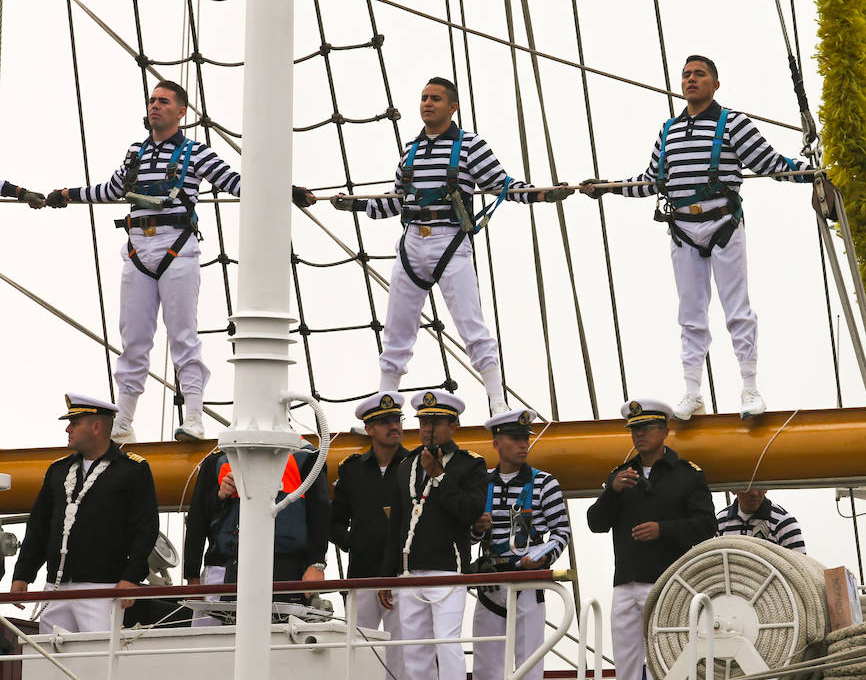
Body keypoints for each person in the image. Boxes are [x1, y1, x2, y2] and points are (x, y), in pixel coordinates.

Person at [41, 80, 314, 443]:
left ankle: (195, 416)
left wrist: (285, 191)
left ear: (181, 111)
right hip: (137, 247)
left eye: (164, 101)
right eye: (152, 101)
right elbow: (111, 190)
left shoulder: (196, 153)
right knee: (134, 338)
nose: (155, 106)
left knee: (183, 335)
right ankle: (123, 420)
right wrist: (67, 194)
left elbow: (236, 183)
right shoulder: (135, 152)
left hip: (177, 246)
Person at [580, 56, 812, 421]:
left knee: (737, 309)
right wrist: (607, 188)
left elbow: (769, 163)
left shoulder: (733, 123)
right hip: (682, 230)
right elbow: (650, 181)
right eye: (686, 75)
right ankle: (692, 392)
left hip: (723, 225)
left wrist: (812, 173)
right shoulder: (669, 130)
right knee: (690, 315)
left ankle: (750, 387)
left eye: (699, 74)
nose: (691, 80)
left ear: (715, 84)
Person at [332, 77, 572, 414]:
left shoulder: (471, 145)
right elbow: (395, 201)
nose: (427, 103)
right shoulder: (410, 150)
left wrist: (543, 194)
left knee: (472, 326)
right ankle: (386, 403)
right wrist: (353, 204)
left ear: (453, 106)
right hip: (412, 242)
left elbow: (503, 185)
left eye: (436, 99)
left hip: (449, 241)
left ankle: (498, 402)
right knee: (396, 330)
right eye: (424, 98)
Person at [587, 399, 715, 680]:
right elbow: (595, 523)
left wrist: (664, 529)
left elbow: (705, 526)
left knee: (663, 667)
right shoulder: (620, 476)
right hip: (624, 583)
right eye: (634, 429)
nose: (638, 434)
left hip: (666, 583)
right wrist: (612, 492)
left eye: (645, 428)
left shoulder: (687, 475)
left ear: (664, 431)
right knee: (626, 666)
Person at [378, 390, 487, 680]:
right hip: (410, 571)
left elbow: (469, 512)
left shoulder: (472, 464)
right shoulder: (406, 465)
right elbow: (396, 523)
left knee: (447, 645)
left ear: (453, 425)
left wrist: (440, 476)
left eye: (437, 421)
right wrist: (387, 574)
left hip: (448, 569)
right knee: (416, 652)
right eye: (425, 421)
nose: (429, 428)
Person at [7, 394, 158, 633]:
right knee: (50, 659)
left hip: (102, 589)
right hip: (55, 588)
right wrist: (23, 575)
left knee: (98, 660)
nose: (68, 429)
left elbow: (146, 528)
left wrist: (131, 577)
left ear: (96, 426)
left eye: (74, 423)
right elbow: (39, 527)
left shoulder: (132, 470)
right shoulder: (58, 470)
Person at [469, 408, 570, 680]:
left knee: (529, 665)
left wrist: (537, 558)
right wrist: (474, 529)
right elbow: (466, 536)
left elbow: (560, 533)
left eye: (525, 438)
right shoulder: (479, 483)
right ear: (497, 443)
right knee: (485, 665)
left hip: (528, 584)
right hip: (490, 586)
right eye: (515, 439)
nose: (523, 444)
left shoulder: (545, 483)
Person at [183, 436, 330, 621]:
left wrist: (316, 563)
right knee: (215, 641)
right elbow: (198, 518)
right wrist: (192, 576)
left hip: (287, 568)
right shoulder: (218, 460)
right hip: (224, 566)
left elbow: (320, 514)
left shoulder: (307, 457)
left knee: (281, 637)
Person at [331, 391, 410, 680]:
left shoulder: (413, 465)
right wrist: (354, 542)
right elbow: (333, 521)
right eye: (385, 422)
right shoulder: (352, 470)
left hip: (401, 578)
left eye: (396, 420)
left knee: (398, 655)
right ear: (369, 429)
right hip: (362, 576)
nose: (394, 426)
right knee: (356, 649)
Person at [715, 488, 806, 552]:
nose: (754, 493)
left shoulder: (784, 524)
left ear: (767, 488)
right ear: (733, 489)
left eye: (759, 484)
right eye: (747, 486)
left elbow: (799, 570)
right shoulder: (719, 522)